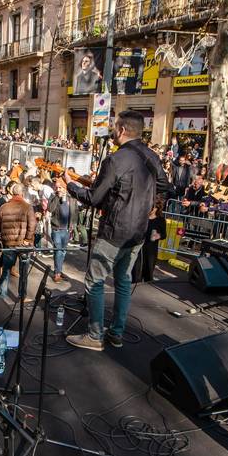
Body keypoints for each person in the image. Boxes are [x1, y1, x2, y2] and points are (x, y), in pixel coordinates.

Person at [64, 110, 171, 350]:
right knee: (123, 280)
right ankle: (116, 333)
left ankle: (94, 336)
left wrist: (69, 185)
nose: (112, 131)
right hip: (138, 232)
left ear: (122, 130)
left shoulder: (115, 160)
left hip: (115, 232)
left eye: (114, 127)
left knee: (95, 281)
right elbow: (166, 186)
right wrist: (149, 205)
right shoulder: (151, 156)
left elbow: (93, 198)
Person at [0, 182, 36, 299]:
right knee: (23, 272)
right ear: (22, 193)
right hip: (24, 244)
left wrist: (3, 235)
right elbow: (32, 225)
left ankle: (2, 295)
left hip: (8, 243)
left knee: (6, 270)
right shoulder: (28, 207)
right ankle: (22, 296)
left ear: (12, 193)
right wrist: (27, 239)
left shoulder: (4, 207)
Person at [132, 198, 166, 283]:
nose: (150, 208)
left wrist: (158, 235)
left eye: (152, 207)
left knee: (148, 273)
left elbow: (164, 234)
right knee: (136, 273)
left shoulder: (161, 220)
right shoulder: (142, 217)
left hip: (151, 250)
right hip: (139, 248)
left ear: (156, 208)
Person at [47, 179, 73, 283]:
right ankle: (57, 273)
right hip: (56, 229)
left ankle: (59, 270)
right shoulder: (53, 197)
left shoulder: (70, 198)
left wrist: (72, 225)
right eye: (56, 187)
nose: (58, 189)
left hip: (66, 229)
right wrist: (57, 197)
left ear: (65, 188)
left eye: (60, 187)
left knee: (63, 252)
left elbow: (74, 211)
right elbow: (50, 209)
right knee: (58, 251)